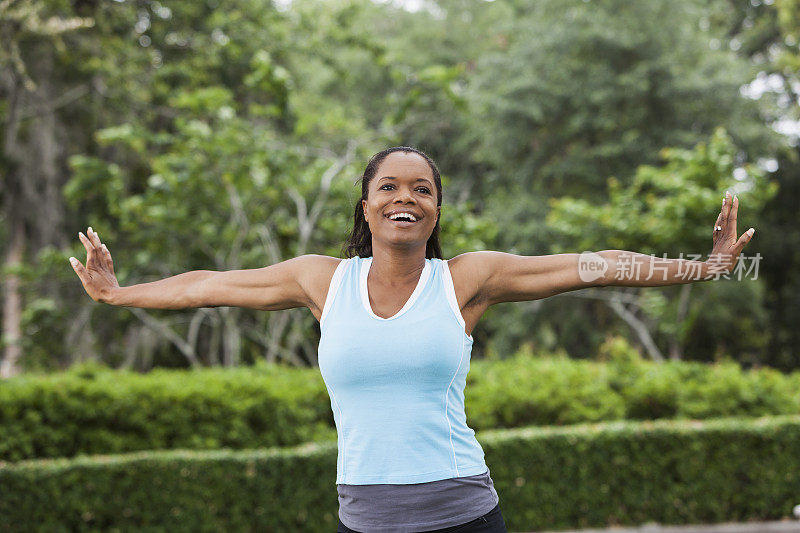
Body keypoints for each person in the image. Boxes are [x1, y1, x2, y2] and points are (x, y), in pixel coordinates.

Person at [70, 146, 755, 532]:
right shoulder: (322, 281)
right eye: (391, 186)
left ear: (434, 208)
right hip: (364, 519)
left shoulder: (464, 280)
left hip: (464, 513)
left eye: (422, 188)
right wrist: (119, 292)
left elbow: (589, 265)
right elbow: (209, 286)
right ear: (367, 205)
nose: (407, 196)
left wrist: (705, 267)